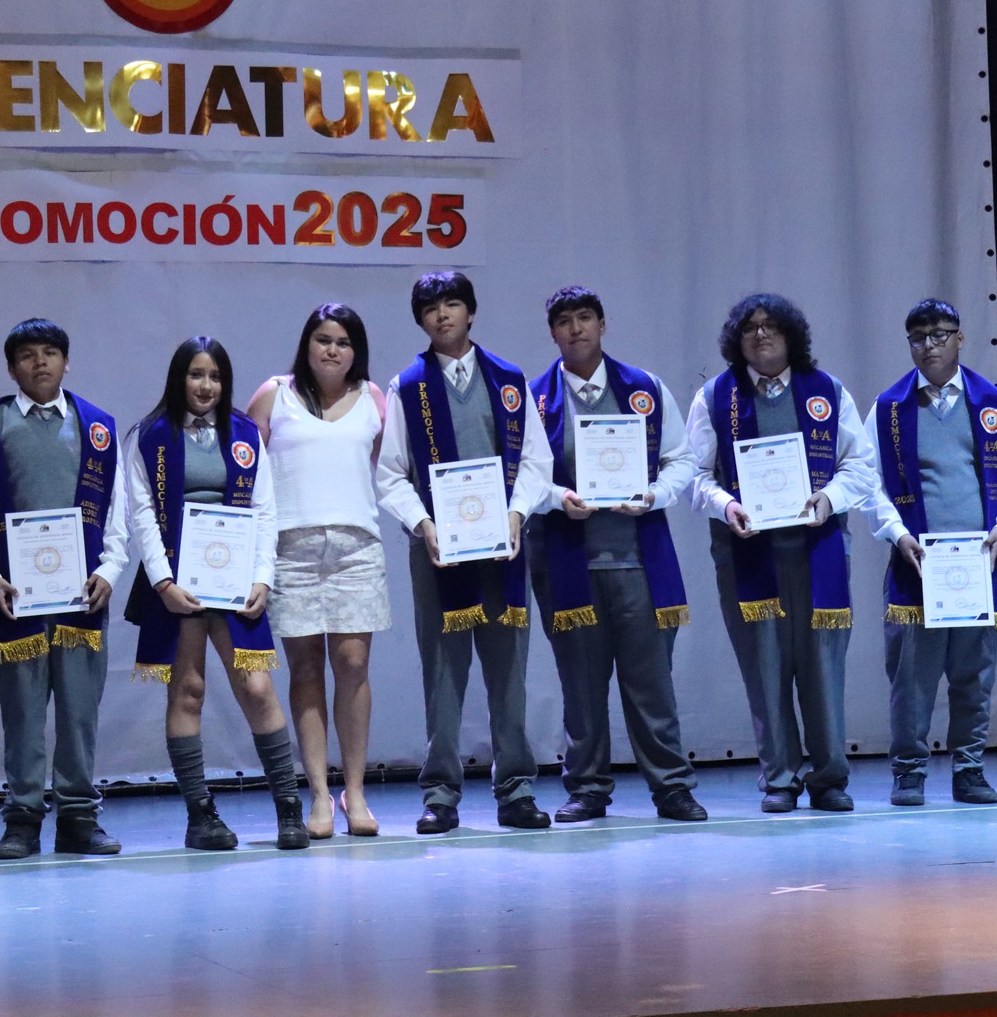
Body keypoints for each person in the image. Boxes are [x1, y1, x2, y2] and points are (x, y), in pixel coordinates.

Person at [376, 270, 555, 834]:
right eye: (431, 307)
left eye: (453, 303)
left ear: (471, 312)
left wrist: (516, 513)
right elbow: (390, 475)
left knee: (509, 673)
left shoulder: (508, 379)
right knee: (444, 675)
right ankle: (441, 794)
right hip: (438, 554)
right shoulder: (408, 386)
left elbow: (536, 461)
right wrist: (423, 523)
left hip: (504, 548)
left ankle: (516, 790)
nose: (442, 314)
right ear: (420, 319)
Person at [688, 294, 879, 814]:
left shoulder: (827, 391)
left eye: (771, 325)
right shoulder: (713, 397)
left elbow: (860, 466)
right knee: (765, 668)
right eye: (750, 327)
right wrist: (727, 505)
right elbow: (695, 476)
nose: (761, 334)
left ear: (792, 334)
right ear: (737, 339)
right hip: (748, 554)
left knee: (822, 668)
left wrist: (828, 498)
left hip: (818, 548)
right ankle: (780, 778)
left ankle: (829, 778)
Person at [528, 286, 707, 822]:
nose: (576, 328)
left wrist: (653, 494)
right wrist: (558, 498)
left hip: (639, 562)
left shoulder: (645, 388)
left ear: (603, 324)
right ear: (552, 332)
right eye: (564, 321)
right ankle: (587, 788)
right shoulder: (533, 399)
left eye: (585, 318)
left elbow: (681, 460)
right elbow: (522, 477)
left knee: (651, 687)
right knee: (580, 689)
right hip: (568, 563)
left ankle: (672, 787)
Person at [126, 337, 307, 851]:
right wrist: (163, 582)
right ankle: (200, 815)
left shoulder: (247, 433)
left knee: (256, 689)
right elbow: (141, 515)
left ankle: (288, 808)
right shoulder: (148, 436)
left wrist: (261, 578)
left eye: (215, 377)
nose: (206, 386)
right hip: (176, 584)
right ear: (178, 379)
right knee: (188, 691)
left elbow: (266, 511)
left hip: (235, 579)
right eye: (196, 375)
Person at [0, 319, 132, 861]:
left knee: (80, 712)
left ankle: (79, 818)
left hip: (83, 596)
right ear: (11, 367)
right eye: (29, 355)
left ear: (66, 362)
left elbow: (118, 514)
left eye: (51, 353)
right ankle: (23, 820)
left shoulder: (98, 427)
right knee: (23, 714)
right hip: (16, 599)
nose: (41, 363)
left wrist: (110, 570)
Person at [866, 299, 997, 806]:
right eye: (918, 337)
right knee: (911, 681)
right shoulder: (890, 407)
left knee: (974, 675)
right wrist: (898, 535)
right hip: (917, 565)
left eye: (939, 335)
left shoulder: (993, 403)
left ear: (960, 338)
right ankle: (910, 772)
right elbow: (869, 484)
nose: (928, 346)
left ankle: (969, 769)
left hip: (978, 564)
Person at [247, 304, 390, 840]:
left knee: (352, 663)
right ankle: (319, 795)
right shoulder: (273, 394)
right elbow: (246, 472)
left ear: (357, 351)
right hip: (292, 546)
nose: (332, 349)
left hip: (355, 544)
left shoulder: (376, 399)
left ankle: (355, 792)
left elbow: (380, 464)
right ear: (307, 343)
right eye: (323, 339)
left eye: (344, 342)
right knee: (305, 670)